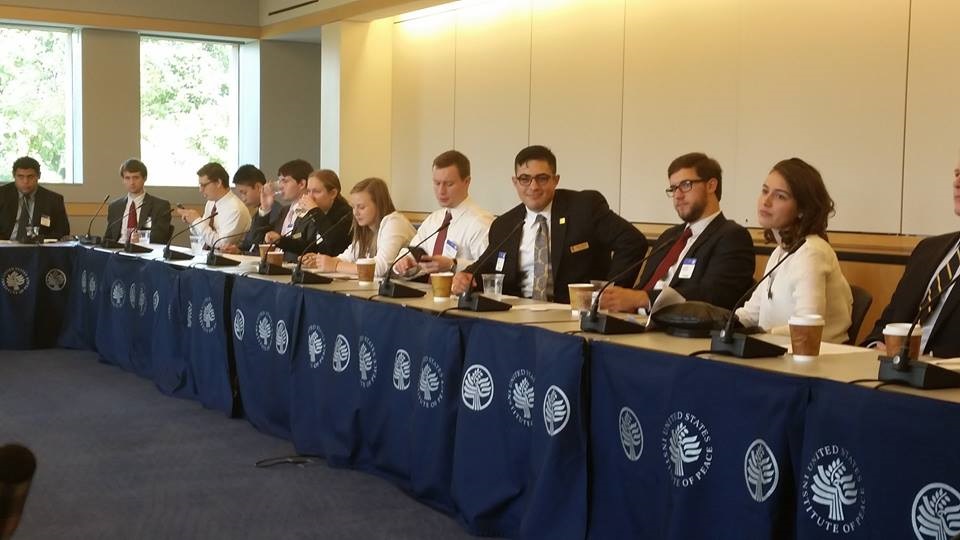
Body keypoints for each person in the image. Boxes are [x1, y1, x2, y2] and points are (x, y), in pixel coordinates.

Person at [452, 145, 647, 303]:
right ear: (515, 182)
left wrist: (611, 288)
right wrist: (467, 276)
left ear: (556, 180)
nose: (533, 187)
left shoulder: (584, 208)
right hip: (517, 316)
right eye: (525, 179)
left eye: (542, 178)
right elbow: (486, 265)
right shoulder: (504, 224)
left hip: (572, 314)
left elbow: (633, 242)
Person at [599, 152, 755, 313]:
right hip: (635, 322)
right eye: (673, 188)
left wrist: (643, 299)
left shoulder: (731, 236)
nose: (678, 195)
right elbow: (646, 285)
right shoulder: (669, 236)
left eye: (686, 185)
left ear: (711, 185)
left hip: (679, 331)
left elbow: (715, 296)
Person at [735, 158, 852, 343]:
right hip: (779, 354)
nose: (766, 201)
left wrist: (762, 333)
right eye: (765, 191)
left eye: (780, 196)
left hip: (818, 360)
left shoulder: (811, 252)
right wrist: (720, 321)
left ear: (802, 210)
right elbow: (751, 313)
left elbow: (807, 325)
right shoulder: (780, 252)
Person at [861, 156, 960, 357]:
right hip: (890, 374)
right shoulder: (927, 250)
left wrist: (923, 362)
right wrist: (874, 347)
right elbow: (887, 323)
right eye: (957, 174)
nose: (957, 182)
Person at [393, 150, 493, 276]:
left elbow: (489, 269)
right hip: (428, 293)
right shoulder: (434, 220)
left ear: (466, 182)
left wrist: (453, 265)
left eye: (449, 184)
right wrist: (404, 262)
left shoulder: (480, 223)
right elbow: (412, 252)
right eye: (437, 183)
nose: (441, 191)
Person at [301, 177, 415, 277]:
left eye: (361, 207)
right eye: (353, 207)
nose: (355, 213)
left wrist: (335, 265)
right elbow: (348, 257)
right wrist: (321, 261)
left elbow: (379, 268)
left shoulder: (394, 222)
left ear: (379, 205)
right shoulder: (367, 229)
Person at [273, 169, 352, 261]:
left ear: (333, 193)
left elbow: (334, 243)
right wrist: (281, 240)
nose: (310, 197)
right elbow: (310, 245)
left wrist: (315, 211)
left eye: (316, 192)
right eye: (309, 191)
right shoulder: (317, 213)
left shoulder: (345, 215)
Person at [173, 162, 251, 250]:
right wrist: (192, 222)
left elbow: (221, 244)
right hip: (207, 257)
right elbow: (204, 235)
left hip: (226, 261)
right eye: (200, 185)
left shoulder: (235, 209)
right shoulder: (211, 203)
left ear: (218, 182)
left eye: (204, 185)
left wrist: (197, 221)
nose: (200, 190)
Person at [103, 158, 172, 244]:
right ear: (123, 180)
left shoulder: (160, 206)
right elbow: (108, 238)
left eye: (136, 177)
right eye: (127, 178)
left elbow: (161, 237)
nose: (132, 182)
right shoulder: (114, 207)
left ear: (144, 178)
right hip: (117, 251)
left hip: (142, 252)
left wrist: (141, 239)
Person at [0, 156, 70, 241]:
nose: (25, 181)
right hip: (5, 247)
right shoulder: (2, 195)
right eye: (20, 177)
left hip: (39, 249)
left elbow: (63, 232)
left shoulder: (53, 200)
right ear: (14, 175)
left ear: (38, 176)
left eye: (30, 176)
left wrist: (40, 239)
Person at [259, 159, 312, 245]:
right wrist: (265, 209)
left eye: (285, 181)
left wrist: (281, 240)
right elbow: (259, 240)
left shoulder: (311, 211)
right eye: (279, 181)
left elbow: (303, 242)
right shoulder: (284, 211)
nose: (280, 186)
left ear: (302, 184)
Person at [227, 164, 274, 253]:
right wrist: (237, 249)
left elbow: (262, 248)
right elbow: (249, 245)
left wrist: (240, 252)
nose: (242, 198)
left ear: (258, 187)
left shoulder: (274, 211)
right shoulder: (258, 213)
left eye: (244, 192)